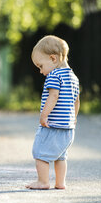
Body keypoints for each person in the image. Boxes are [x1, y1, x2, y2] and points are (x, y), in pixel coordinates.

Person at [26, 35, 80, 190]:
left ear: (53, 59)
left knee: (39, 152)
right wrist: (74, 118)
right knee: (60, 156)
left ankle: (43, 182)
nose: (41, 71)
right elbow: (76, 101)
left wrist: (44, 114)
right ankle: (60, 182)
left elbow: (53, 96)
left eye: (41, 66)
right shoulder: (73, 78)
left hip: (53, 125)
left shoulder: (54, 75)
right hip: (68, 128)